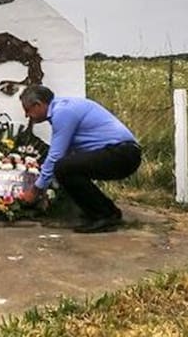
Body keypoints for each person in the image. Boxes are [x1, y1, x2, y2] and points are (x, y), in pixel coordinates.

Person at [18, 84, 141, 233]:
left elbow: (56, 156)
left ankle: (105, 215)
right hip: (121, 153)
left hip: (123, 154)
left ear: (38, 105)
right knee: (66, 167)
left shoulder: (62, 112)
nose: (26, 115)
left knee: (64, 167)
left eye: (27, 110)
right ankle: (103, 211)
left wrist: (35, 190)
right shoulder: (63, 108)